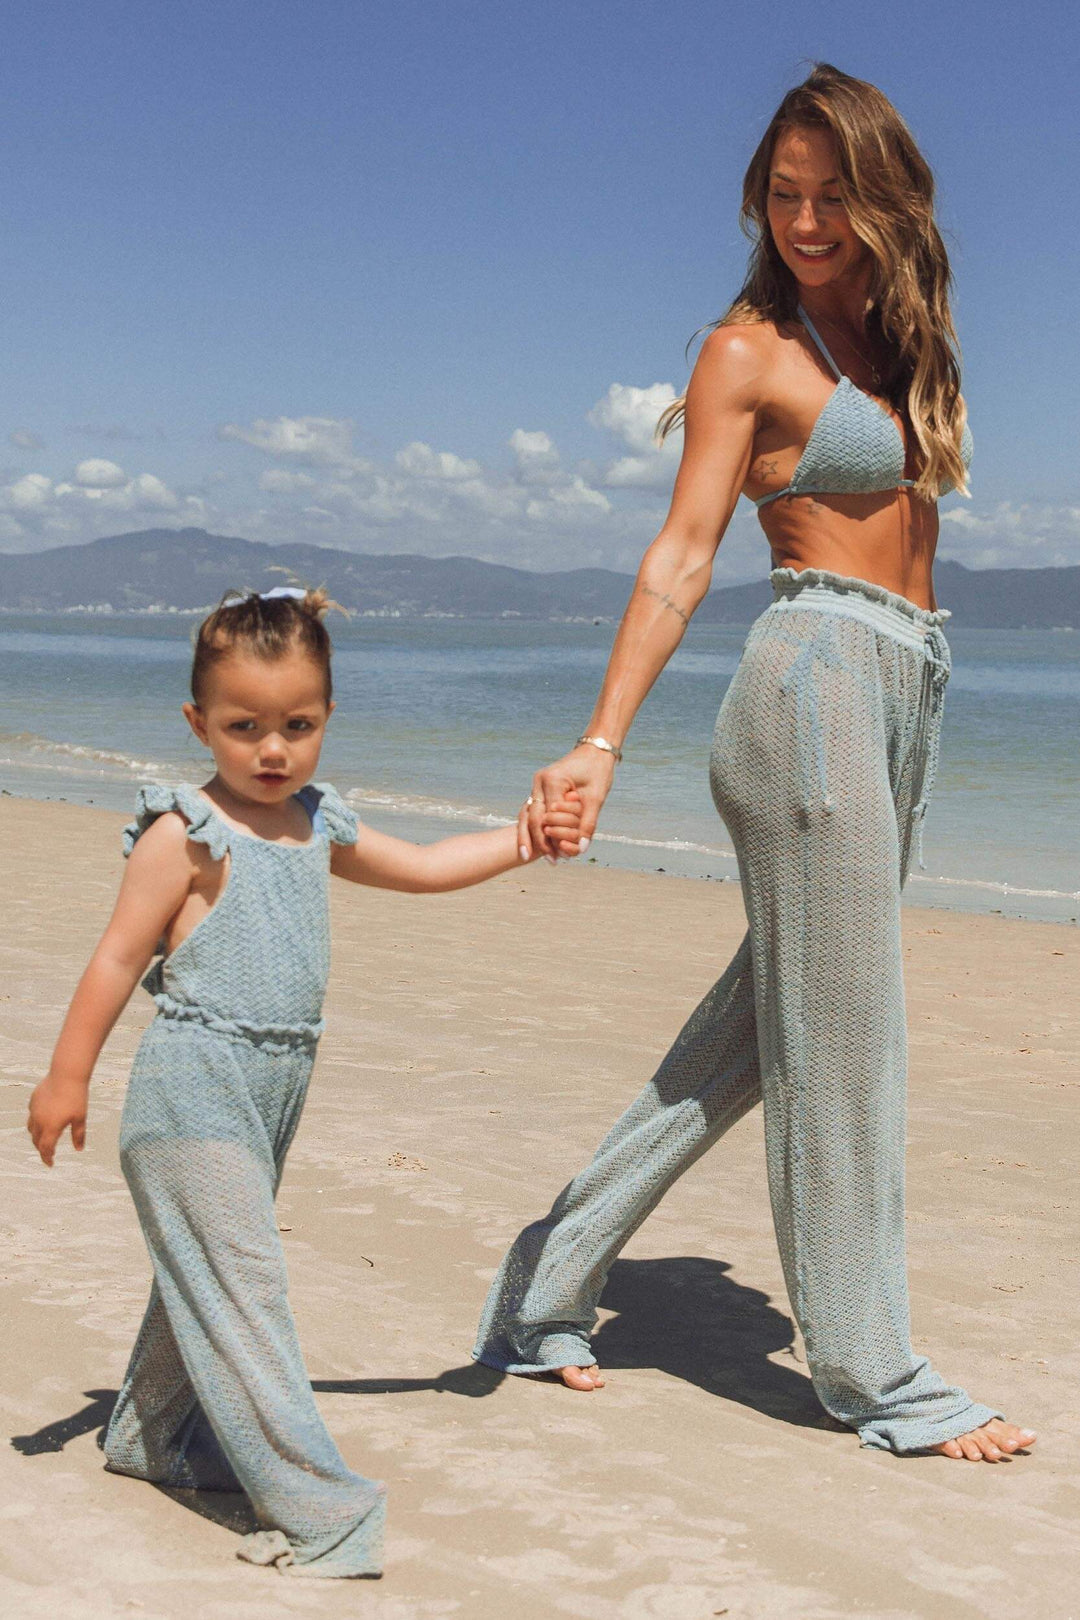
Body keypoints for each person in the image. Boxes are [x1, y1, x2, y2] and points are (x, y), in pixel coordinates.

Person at [477, 63, 1037, 1463]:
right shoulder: (747, 349)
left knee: (752, 1040)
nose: (802, 221)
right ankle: (872, 1372)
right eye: (781, 197)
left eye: (828, 195)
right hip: (813, 688)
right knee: (849, 1042)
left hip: (903, 688)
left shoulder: (906, 341)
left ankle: (550, 1282)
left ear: (881, 192)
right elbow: (683, 555)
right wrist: (601, 739)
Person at [26, 584, 581, 1577]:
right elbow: (116, 958)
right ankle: (323, 1508)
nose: (271, 749)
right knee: (245, 1290)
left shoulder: (317, 824)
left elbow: (421, 864)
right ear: (200, 724)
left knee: (201, 1282)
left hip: (269, 1094)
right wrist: (66, 1078)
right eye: (244, 728)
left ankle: (151, 1438)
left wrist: (523, 839)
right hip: (189, 1092)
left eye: (298, 725)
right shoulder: (185, 834)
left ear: (327, 720)